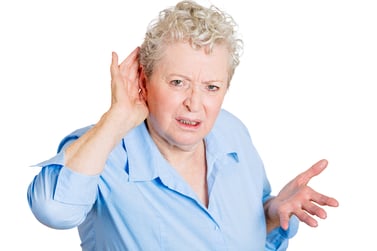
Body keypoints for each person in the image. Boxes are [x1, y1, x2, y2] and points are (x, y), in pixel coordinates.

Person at [27, 1, 339, 250]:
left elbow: (244, 238)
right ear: (143, 81)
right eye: (178, 82)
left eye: (212, 87)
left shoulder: (232, 133)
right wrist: (116, 117)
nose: (195, 102)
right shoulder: (102, 150)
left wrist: (270, 214)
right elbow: (54, 211)